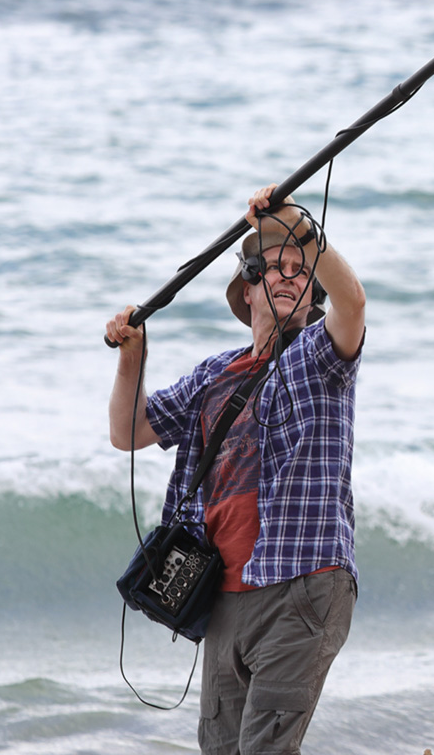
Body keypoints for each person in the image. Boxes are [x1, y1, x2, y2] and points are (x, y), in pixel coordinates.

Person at [106, 184, 367, 754]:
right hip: (223, 595)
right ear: (247, 289)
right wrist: (132, 356)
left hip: (302, 578)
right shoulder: (214, 375)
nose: (289, 275)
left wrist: (297, 224)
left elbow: (353, 305)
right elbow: (128, 432)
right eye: (273, 267)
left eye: (301, 269)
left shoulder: (320, 355)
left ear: (313, 294)